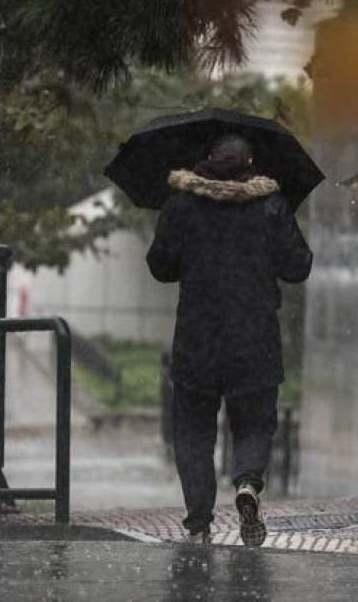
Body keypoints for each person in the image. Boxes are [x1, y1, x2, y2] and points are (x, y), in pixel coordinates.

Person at [147, 134, 313, 547]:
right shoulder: (271, 205)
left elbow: (160, 266)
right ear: (251, 162)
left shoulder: (181, 204)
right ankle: (247, 485)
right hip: (254, 337)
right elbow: (299, 266)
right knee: (254, 425)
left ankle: (199, 524)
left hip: (197, 339)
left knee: (193, 432)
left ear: (206, 158)